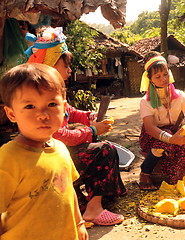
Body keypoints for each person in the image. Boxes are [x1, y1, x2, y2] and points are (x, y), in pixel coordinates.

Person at [25, 27, 127, 226]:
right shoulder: (43, 95)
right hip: (49, 154)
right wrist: (92, 130)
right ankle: (94, 209)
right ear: (51, 65)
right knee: (105, 150)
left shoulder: (54, 90)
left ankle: (87, 200)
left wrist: (89, 117)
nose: (70, 70)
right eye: (67, 66)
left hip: (57, 150)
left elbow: (69, 111)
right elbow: (59, 134)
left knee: (96, 145)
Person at [0, 63, 88, 240]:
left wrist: (79, 224)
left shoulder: (61, 149)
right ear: (11, 114)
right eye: (30, 106)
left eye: (51, 104)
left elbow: (68, 191)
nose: (43, 114)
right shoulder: (8, 158)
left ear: (64, 108)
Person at [138, 51, 185, 190]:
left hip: (176, 132)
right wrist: (171, 139)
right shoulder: (145, 102)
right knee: (159, 146)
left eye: (165, 74)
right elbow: (151, 128)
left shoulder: (180, 95)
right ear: (150, 79)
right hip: (153, 135)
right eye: (158, 76)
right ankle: (145, 173)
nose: (163, 79)